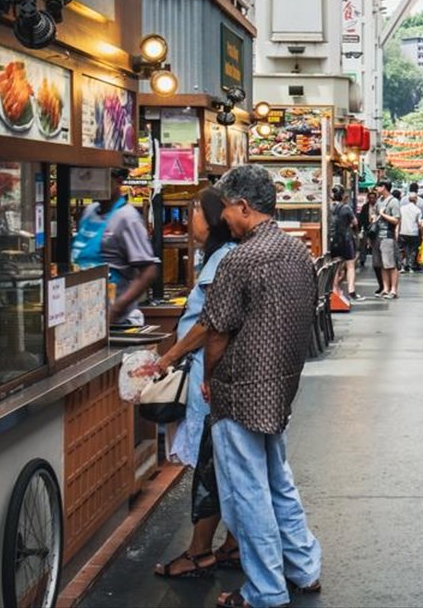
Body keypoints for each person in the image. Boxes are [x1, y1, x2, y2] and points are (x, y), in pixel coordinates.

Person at [200, 164, 321, 608]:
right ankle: (304, 567)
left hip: (241, 387)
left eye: (227, 209)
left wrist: (208, 377)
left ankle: (266, 589)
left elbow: (216, 332)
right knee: (277, 479)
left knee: (247, 490)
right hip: (281, 384)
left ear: (244, 206)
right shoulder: (297, 252)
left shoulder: (239, 259)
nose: (223, 218)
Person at [150, 188, 239, 578]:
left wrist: (169, 356)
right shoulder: (222, 256)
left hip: (208, 373)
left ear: (215, 218)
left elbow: (209, 324)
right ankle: (233, 544)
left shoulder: (221, 259)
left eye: (196, 213)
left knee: (210, 462)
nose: (190, 221)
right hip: (214, 372)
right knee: (222, 461)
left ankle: (199, 551)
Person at [71, 167, 159, 325]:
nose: (93, 184)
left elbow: (149, 271)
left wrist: (116, 310)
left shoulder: (127, 218)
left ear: (118, 181)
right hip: (83, 313)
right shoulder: (89, 212)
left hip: (116, 320)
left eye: (99, 178)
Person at [328, 185, 360, 299]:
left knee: (335, 265)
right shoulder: (346, 208)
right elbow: (355, 222)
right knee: (350, 265)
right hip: (346, 239)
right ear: (342, 195)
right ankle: (351, 291)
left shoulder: (328, 207)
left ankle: (335, 289)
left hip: (332, 240)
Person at [371, 181, 401, 299]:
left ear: (384, 187)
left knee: (391, 264)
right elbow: (374, 213)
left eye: (378, 186)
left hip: (387, 236)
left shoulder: (393, 201)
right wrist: (374, 217)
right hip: (377, 236)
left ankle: (393, 290)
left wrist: (382, 215)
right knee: (382, 264)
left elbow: (396, 220)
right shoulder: (379, 201)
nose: (376, 189)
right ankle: (385, 288)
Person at [398, 193, 422, 273]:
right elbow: (419, 223)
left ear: (409, 199)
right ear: (416, 200)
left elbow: (399, 220)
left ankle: (402, 266)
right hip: (413, 232)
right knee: (413, 249)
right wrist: (422, 233)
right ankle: (411, 266)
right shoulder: (418, 210)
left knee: (402, 249)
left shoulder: (402, 208)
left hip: (403, 231)